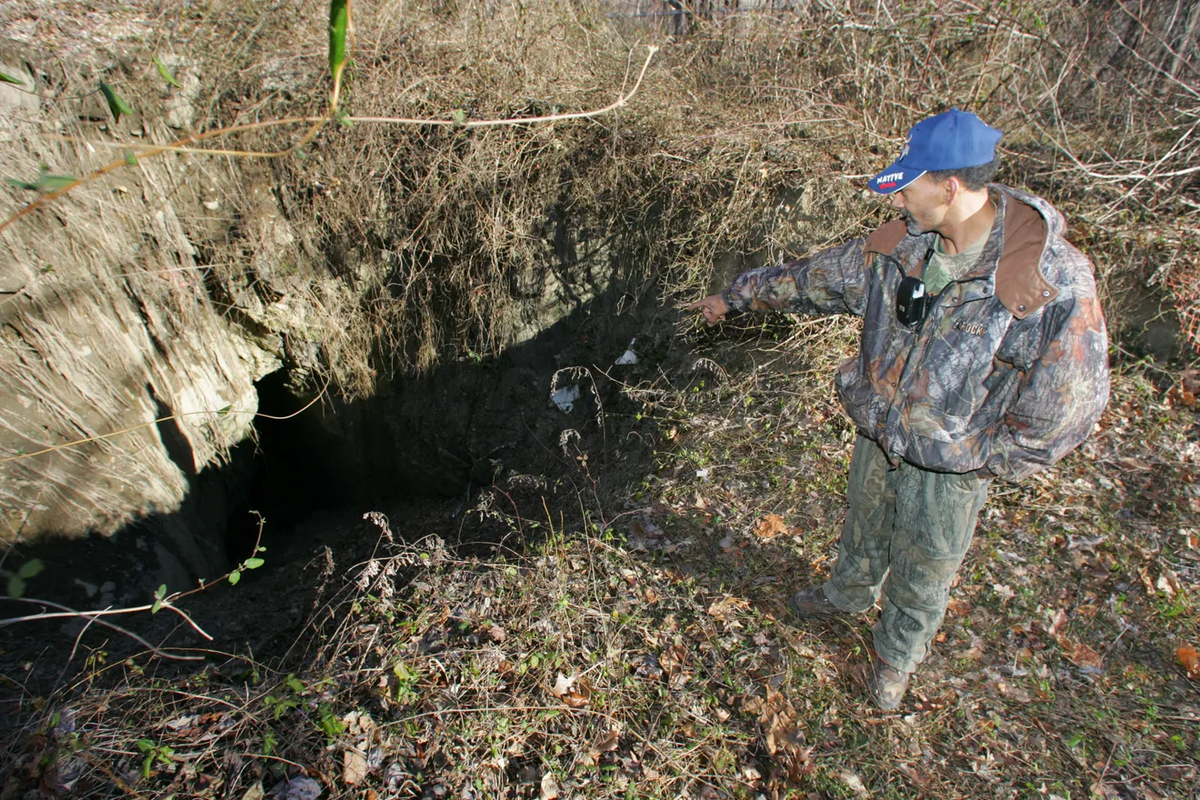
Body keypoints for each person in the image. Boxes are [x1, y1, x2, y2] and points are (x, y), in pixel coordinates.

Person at [687, 108, 1110, 710]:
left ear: (951, 186)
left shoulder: (1047, 280)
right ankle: (848, 593)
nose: (902, 199)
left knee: (926, 564)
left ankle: (894, 658)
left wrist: (982, 456)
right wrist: (736, 296)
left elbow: (1071, 404)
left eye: (910, 185)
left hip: (951, 463)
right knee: (864, 519)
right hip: (880, 430)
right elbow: (816, 278)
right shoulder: (902, 246)